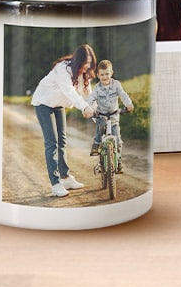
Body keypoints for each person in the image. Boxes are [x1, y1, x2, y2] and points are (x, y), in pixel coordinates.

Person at [30, 43, 96, 198]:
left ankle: (65, 178)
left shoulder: (83, 73)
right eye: (85, 63)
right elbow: (70, 92)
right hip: (44, 103)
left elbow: (89, 94)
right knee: (52, 143)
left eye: (89, 64)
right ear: (78, 61)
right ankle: (56, 184)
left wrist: (95, 112)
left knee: (63, 141)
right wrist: (84, 108)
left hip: (58, 105)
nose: (87, 67)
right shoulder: (63, 69)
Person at [88, 60, 134, 173]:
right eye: (102, 74)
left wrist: (128, 104)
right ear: (98, 75)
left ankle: (118, 162)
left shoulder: (116, 84)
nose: (105, 77)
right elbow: (90, 98)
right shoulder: (97, 88)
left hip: (114, 117)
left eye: (107, 74)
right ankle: (97, 143)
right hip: (101, 115)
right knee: (101, 123)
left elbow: (123, 94)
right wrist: (87, 108)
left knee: (117, 140)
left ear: (111, 73)